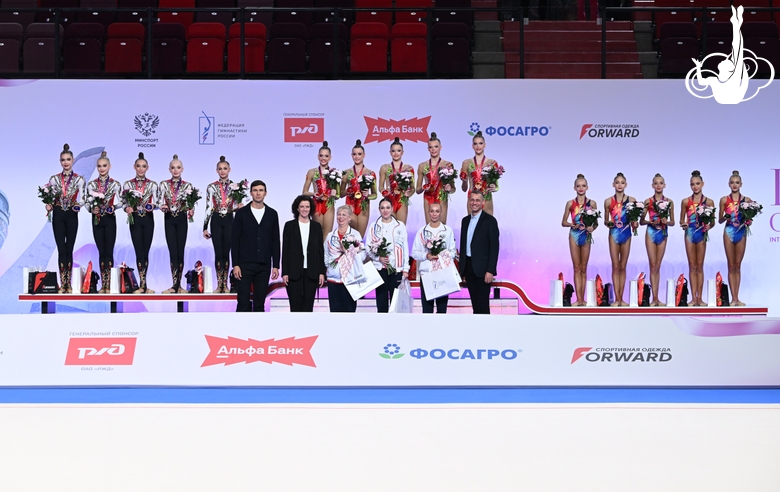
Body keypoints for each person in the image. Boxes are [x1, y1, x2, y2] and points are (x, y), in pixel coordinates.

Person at [232, 180, 280, 312]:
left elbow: (275, 240)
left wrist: (276, 265)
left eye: (261, 190)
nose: (258, 193)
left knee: (260, 303)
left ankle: (259, 331)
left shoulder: (272, 214)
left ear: (265, 193)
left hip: (264, 265)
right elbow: (235, 240)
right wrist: (235, 264)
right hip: (244, 265)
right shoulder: (242, 214)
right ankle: (240, 331)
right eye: (255, 190)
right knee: (242, 302)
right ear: (251, 192)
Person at [46, 143, 85, 293]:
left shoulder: (79, 179)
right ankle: (64, 284)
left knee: (70, 249)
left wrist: (78, 204)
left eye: (68, 159)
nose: (66, 162)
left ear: (73, 160)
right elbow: (49, 197)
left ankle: (69, 284)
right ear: (60, 161)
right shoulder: (54, 179)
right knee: (61, 249)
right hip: (58, 215)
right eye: (63, 160)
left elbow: (84, 199)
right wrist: (48, 205)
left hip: (72, 215)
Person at [203, 156, 244, 293]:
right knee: (218, 253)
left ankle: (225, 285)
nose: (222, 171)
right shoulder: (211, 187)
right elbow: (208, 207)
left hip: (229, 220)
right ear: (216, 170)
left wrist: (239, 207)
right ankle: (218, 284)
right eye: (220, 169)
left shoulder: (236, 187)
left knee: (226, 253)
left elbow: (239, 206)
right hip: (216, 220)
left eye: (225, 168)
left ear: (229, 170)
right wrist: (204, 227)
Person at [121, 152, 158, 294]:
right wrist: (127, 208)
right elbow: (123, 203)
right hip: (135, 220)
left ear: (147, 167)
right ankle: (142, 285)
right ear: (134, 167)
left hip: (148, 219)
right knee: (139, 251)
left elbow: (160, 202)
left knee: (146, 252)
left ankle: (144, 285)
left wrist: (154, 206)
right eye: (138, 166)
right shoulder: (128, 184)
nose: (141, 169)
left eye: (143, 166)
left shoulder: (153, 184)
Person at [158, 154, 195, 294]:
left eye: (178, 168)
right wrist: (161, 206)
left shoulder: (187, 186)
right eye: (173, 168)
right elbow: (159, 201)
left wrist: (191, 210)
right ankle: (174, 284)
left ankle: (179, 285)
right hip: (169, 219)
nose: (175, 170)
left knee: (181, 251)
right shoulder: (163, 185)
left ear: (182, 169)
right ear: (169, 169)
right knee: (173, 251)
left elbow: (191, 204)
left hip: (181, 219)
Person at [282, 195, 325, 312]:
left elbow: (320, 251)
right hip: (293, 273)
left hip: (311, 272)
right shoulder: (289, 226)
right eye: (302, 206)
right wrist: (285, 272)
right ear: (297, 208)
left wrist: (322, 272)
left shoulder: (316, 227)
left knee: (308, 306)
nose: (305, 209)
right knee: (295, 306)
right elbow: (285, 251)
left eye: (307, 206)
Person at [366, 197, 409, 313]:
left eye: (388, 208)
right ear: (379, 210)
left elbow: (405, 248)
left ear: (392, 209)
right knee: (381, 301)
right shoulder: (373, 226)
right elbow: (368, 248)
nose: (385, 210)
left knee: (396, 303)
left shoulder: (400, 226)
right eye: (382, 208)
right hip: (380, 269)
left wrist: (406, 269)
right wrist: (378, 258)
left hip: (396, 269)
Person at [560, 173, 598, 307]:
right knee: (576, 268)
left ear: (587, 187)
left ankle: (583, 299)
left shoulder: (592, 203)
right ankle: (579, 299)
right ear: (574, 188)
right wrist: (572, 224)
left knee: (583, 268)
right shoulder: (570, 203)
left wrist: (591, 228)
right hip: (574, 235)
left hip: (586, 236)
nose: (581, 188)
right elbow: (563, 222)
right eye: (578, 186)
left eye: (583, 186)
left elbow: (596, 223)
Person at [412, 202, 457, 313]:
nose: (434, 214)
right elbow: (414, 253)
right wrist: (427, 256)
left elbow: (453, 252)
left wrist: (441, 256)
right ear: (428, 213)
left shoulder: (448, 231)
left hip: (443, 273)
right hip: (427, 274)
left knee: (442, 309)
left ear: (441, 213)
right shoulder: (422, 231)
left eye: (437, 211)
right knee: (427, 309)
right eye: (432, 211)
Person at [86, 151, 121, 293]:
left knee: (109, 251)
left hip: (110, 219)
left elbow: (123, 202)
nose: (102, 168)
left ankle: (110, 284)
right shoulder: (92, 185)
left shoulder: (115, 184)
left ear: (110, 166)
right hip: (96, 220)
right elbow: (87, 202)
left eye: (104, 166)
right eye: (99, 166)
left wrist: (114, 207)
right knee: (101, 252)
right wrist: (91, 209)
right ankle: (103, 285)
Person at [459, 190, 499, 314]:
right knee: (475, 305)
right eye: (472, 200)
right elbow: (463, 245)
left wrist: (490, 270)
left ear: (483, 202)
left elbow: (494, 248)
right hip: (469, 268)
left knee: (482, 305)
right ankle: (476, 331)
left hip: (483, 270)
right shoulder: (465, 221)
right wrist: (463, 270)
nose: (474, 203)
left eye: (477, 200)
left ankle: (486, 332)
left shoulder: (490, 221)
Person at [680, 170, 716, 306]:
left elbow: (712, 222)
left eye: (697, 184)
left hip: (701, 234)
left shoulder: (709, 202)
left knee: (700, 266)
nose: (695, 187)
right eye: (692, 184)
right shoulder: (685, 201)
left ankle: (699, 298)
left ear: (702, 184)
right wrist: (683, 224)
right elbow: (681, 220)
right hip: (689, 234)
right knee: (692, 266)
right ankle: (693, 298)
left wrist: (708, 227)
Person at [639, 173, 675, 306]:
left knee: (658, 266)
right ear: (652, 185)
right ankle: (654, 298)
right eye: (656, 183)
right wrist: (650, 221)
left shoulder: (669, 201)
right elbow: (641, 221)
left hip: (663, 233)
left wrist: (666, 221)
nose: (658, 185)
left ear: (664, 185)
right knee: (652, 265)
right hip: (651, 233)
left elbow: (673, 222)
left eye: (661, 183)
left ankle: (657, 298)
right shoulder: (648, 201)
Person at [324, 205, 367, 313]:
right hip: (333, 280)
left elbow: (362, 254)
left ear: (349, 218)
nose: (340, 217)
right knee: (335, 312)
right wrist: (329, 267)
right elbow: (325, 254)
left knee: (349, 311)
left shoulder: (355, 235)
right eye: (339, 214)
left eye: (344, 215)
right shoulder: (330, 236)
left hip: (350, 280)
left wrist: (348, 252)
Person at [719, 170, 752, 306]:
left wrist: (749, 221)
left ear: (741, 184)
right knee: (731, 265)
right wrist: (725, 216)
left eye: (737, 183)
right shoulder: (724, 200)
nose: (734, 185)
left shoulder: (747, 200)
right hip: (729, 231)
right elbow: (720, 220)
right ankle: (733, 298)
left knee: (738, 266)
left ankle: (737, 298)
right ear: (729, 184)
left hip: (741, 232)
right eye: (732, 183)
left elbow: (749, 218)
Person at [603, 172, 636, 307]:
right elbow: (606, 220)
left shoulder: (632, 200)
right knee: (615, 266)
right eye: (617, 182)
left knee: (623, 266)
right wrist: (608, 223)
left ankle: (622, 299)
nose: (620, 185)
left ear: (626, 185)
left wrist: (635, 223)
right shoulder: (608, 201)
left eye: (622, 183)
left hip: (626, 233)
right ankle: (617, 299)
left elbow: (634, 218)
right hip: (614, 233)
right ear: (613, 184)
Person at [302, 141, 340, 241]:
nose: (323, 158)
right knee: (317, 235)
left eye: (326, 156)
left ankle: (326, 257)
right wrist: (313, 194)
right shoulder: (311, 172)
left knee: (327, 236)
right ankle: (316, 256)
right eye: (321, 155)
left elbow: (338, 195)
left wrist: (335, 194)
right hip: (317, 204)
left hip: (329, 205)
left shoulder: (335, 173)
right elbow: (304, 192)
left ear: (330, 157)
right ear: (318, 156)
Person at [416, 132, 456, 224]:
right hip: (428, 198)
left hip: (441, 198)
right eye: (431, 147)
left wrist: (450, 189)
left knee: (442, 228)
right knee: (430, 228)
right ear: (428, 149)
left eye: (436, 146)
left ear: (440, 147)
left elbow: (453, 189)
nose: (433, 149)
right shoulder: (422, 166)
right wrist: (423, 187)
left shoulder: (448, 165)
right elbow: (417, 190)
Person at [341, 139, 377, 237]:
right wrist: (348, 190)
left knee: (359, 238)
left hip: (363, 207)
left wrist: (368, 195)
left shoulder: (370, 173)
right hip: (350, 206)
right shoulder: (346, 173)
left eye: (359, 154)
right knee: (350, 237)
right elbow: (340, 194)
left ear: (364, 155)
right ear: (351, 155)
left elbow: (375, 195)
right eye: (354, 154)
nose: (357, 157)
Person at [459, 130, 499, 216]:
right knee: (473, 227)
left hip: (487, 199)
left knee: (487, 227)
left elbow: (496, 186)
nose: (478, 146)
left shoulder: (492, 163)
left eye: (480, 143)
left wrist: (494, 187)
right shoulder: (466, 163)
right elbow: (464, 189)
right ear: (472, 146)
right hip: (472, 199)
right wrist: (464, 181)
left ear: (485, 145)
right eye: (475, 143)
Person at [378, 137, 415, 225]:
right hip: (389, 200)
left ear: (402, 152)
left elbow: (413, 188)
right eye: (393, 151)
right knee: (389, 228)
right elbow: (380, 186)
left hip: (402, 201)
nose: (396, 153)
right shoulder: (385, 168)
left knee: (400, 228)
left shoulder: (409, 168)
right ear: (390, 152)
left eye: (398, 150)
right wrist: (384, 192)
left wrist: (409, 193)